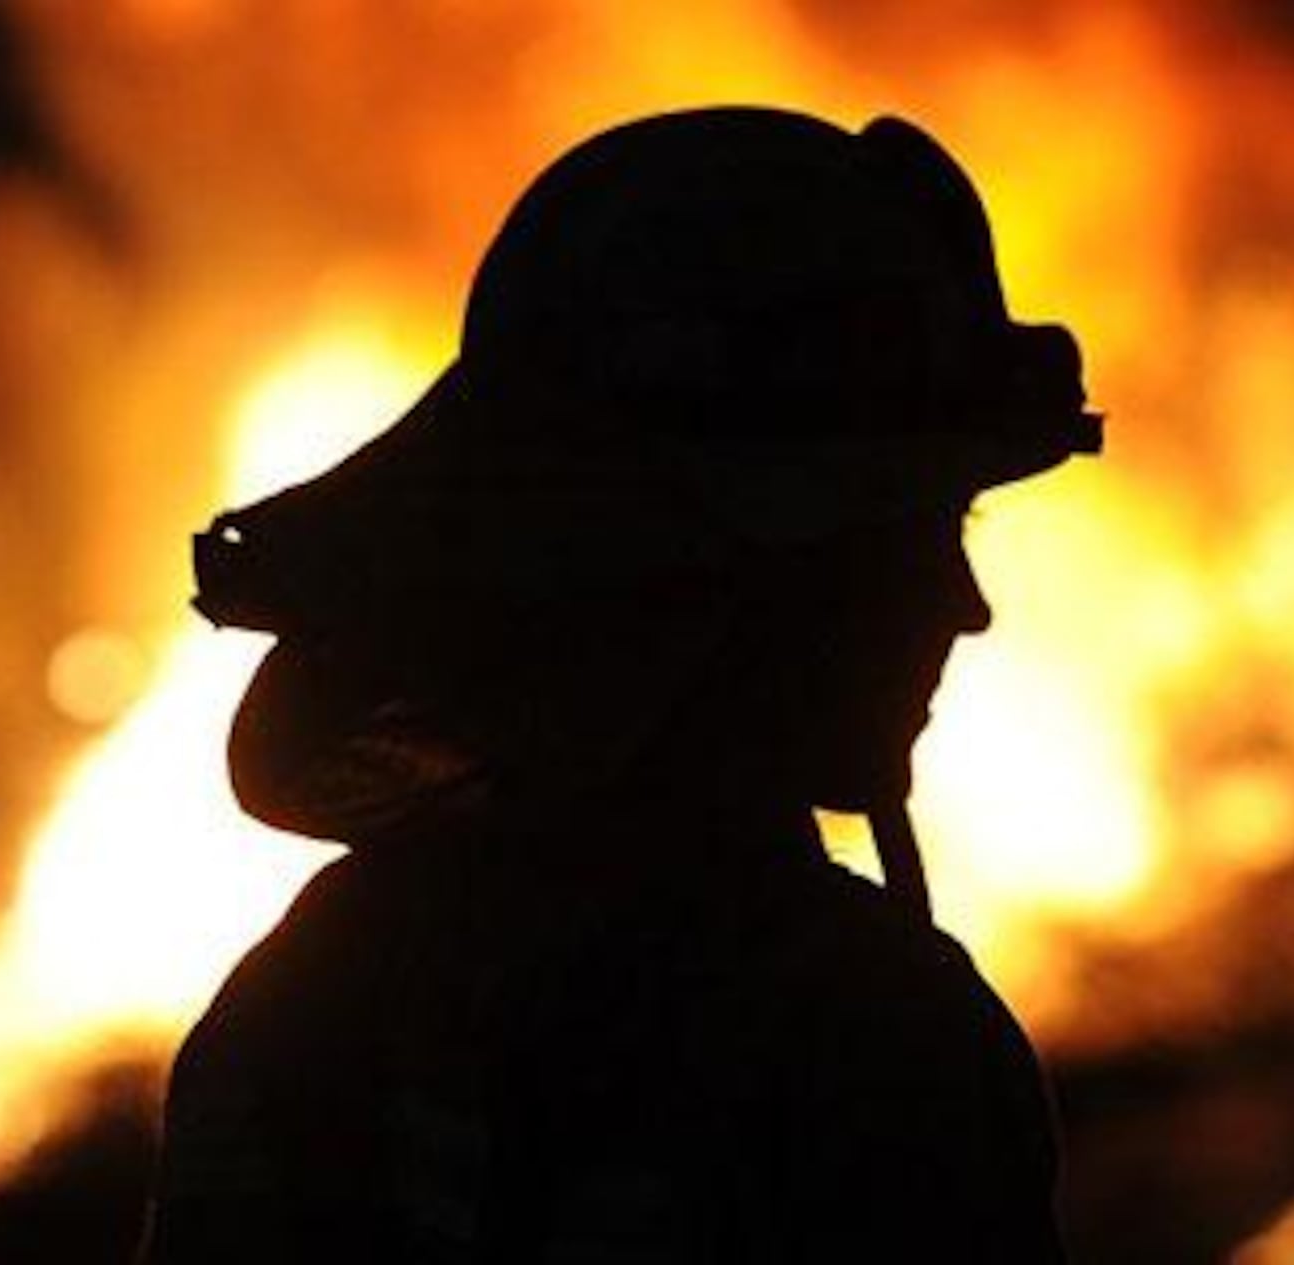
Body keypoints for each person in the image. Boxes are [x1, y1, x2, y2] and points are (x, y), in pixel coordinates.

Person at [140, 107, 1100, 1263]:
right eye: (899, 534)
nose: (963, 604)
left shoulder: (307, 999)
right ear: (718, 573)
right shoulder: (865, 1034)